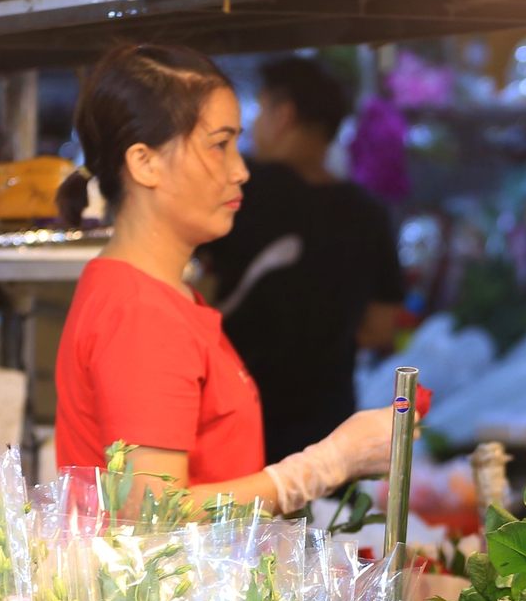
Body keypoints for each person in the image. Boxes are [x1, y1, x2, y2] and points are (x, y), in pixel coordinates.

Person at [53, 44, 396, 511]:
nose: (240, 170)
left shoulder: (162, 297)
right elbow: (152, 515)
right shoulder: (142, 314)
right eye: (219, 145)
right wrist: (327, 464)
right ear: (144, 163)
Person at [203, 55, 406, 463]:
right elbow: (381, 327)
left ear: (283, 115)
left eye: (258, 111)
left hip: (234, 413)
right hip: (326, 423)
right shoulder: (368, 212)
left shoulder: (238, 194)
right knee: (320, 526)